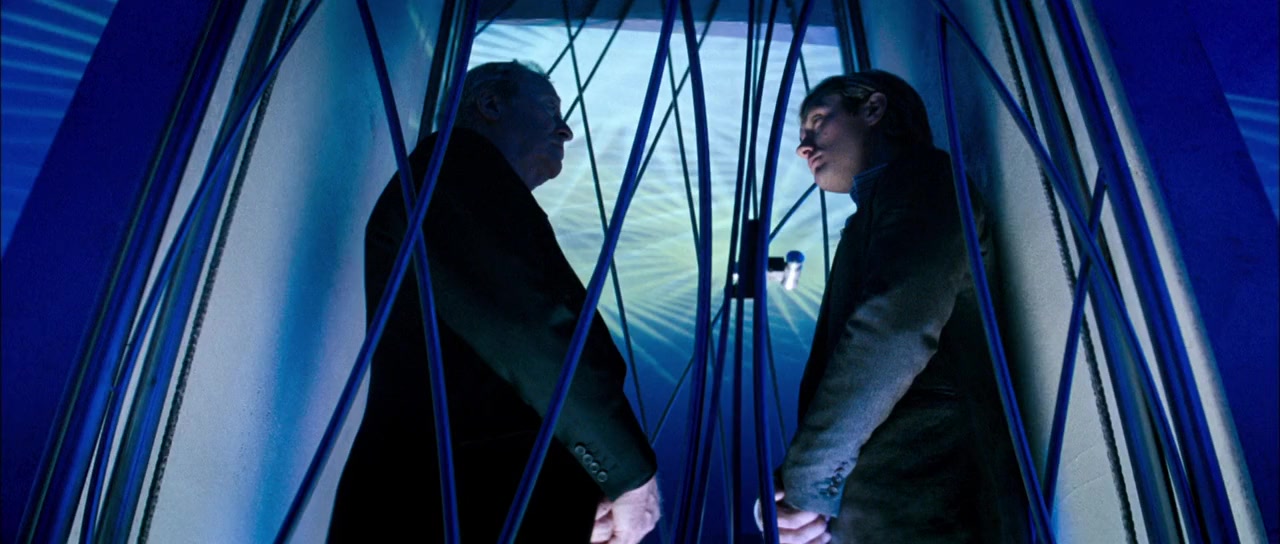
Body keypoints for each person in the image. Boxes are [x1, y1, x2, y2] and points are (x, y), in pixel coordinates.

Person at [329, 61, 660, 544]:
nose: (566, 130)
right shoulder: (457, 171)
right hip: (441, 511)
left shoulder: (460, 187)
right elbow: (531, 331)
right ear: (489, 104)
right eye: (548, 110)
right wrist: (628, 475)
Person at [760, 70, 1029, 543]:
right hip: (912, 511)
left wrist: (808, 482)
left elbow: (894, 326)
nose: (804, 146)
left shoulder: (922, 179)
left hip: (935, 506)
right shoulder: (884, 208)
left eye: (818, 121)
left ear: (874, 109)